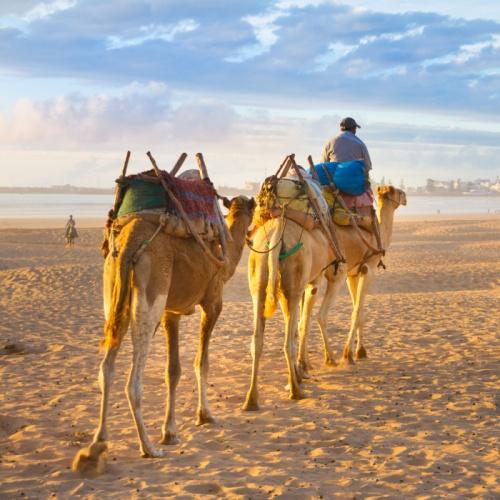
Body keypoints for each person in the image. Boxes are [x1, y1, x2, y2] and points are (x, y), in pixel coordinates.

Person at [320, 117, 373, 216]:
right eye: (355, 129)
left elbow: (323, 164)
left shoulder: (330, 142)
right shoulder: (360, 143)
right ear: (353, 129)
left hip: (333, 185)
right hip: (353, 185)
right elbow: (367, 167)